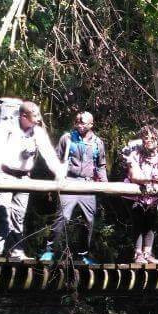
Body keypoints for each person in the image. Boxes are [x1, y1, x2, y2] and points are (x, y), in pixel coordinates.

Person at [0, 99, 64, 260]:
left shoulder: (37, 132)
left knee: (18, 215)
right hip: (5, 174)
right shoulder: (6, 127)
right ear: (23, 116)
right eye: (33, 117)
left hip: (24, 178)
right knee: (2, 210)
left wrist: (59, 172)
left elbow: (48, 153)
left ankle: (16, 250)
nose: (36, 120)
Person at [40, 111, 107, 264]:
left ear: (91, 124)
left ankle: (83, 255)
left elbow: (101, 165)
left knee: (88, 221)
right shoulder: (67, 138)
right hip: (69, 182)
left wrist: (104, 182)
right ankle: (50, 251)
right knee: (62, 217)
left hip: (88, 184)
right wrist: (58, 178)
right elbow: (56, 160)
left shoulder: (98, 143)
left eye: (83, 122)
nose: (79, 125)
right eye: (77, 122)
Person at [124, 125, 158, 263]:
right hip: (136, 193)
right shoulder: (135, 155)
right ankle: (138, 254)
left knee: (151, 222)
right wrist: (151, 179)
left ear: (157, 140)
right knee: (138, 221)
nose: (149, 140)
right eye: (146, 138)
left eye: (152, 138)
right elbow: (134, 175)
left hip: (153, 195)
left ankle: (147, 253)